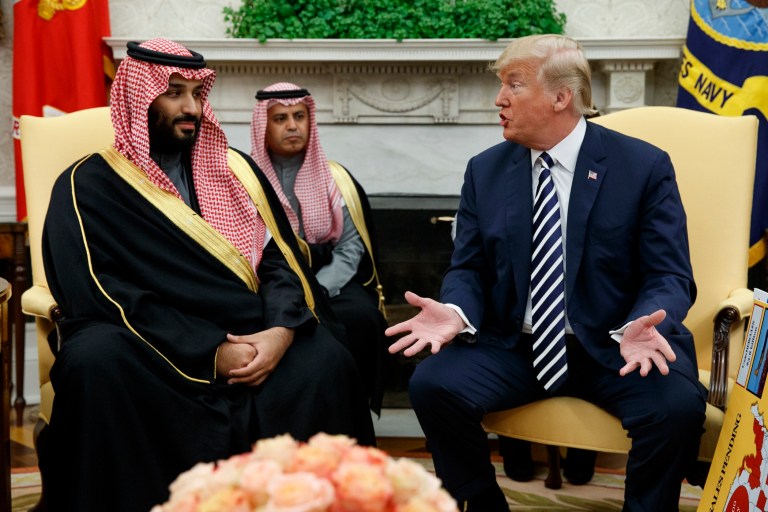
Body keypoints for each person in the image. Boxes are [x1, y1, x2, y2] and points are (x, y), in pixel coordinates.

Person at [37, 38, 375, 512]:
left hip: (252, 330)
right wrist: (212, 351)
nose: (191, 108)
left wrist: (280, 331)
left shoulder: (235, 172)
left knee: (326, 361)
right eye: (174, 92)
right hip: (149, 341)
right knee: (95, 361)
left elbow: (279, 261)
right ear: (138, 96)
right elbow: (98, 291)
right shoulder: (87, 185)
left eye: (198, 94)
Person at [387, 34, 706, 511]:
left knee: (676, 408)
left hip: (617, 345)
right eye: (501, 86)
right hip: (517, 346)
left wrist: (643, 321)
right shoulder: (485, 171)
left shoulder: (642, 166)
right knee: (433, 385)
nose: (499, 99)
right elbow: (469, 267)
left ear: (561, 97)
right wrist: (456, 310)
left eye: (514, 85)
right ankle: (482, 505)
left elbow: (670, 274)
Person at [250, 82, 390, 414]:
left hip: (328, 280)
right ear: (262, 125)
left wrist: (318, 289)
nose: (292, 126)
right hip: (266, 282)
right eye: (280, 118)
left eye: (299, 116)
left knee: (362, 317)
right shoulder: (245, 179)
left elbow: (350, 248)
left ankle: (350, 409)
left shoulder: (336, 179)